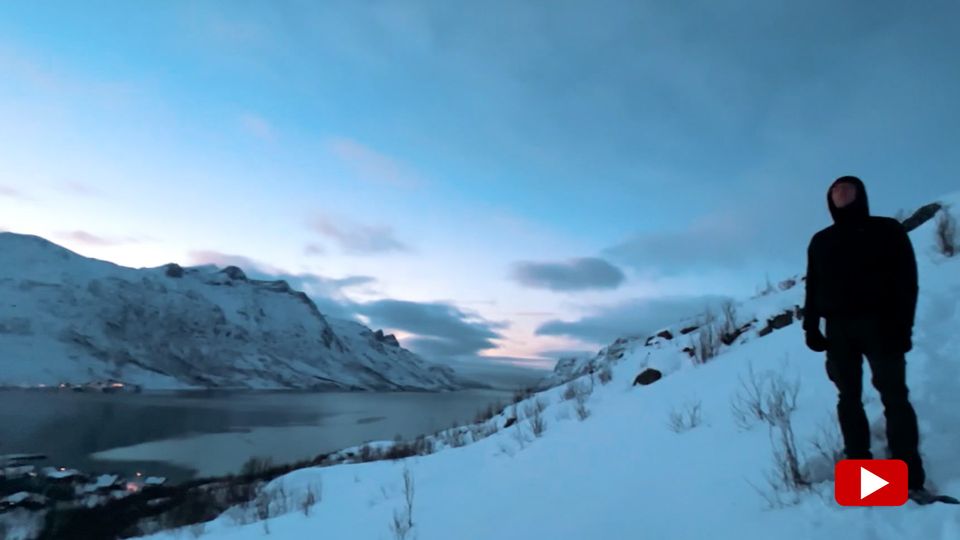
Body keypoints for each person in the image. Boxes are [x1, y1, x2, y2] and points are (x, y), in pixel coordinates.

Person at [803, 175, 931, 500]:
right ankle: (866, 484)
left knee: (895, 397)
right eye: (834, 190)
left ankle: (910, 480)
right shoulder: (821, 240)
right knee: (848, 400)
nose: (840, 192)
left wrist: (903, 327)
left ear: (860, 194)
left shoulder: (887, 229)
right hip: (839, 330)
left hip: (882, 324)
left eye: (847, 188)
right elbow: (813, 286)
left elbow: (907, 280)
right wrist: (811, 327)